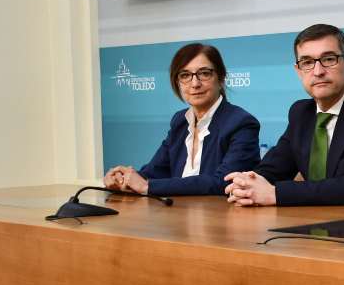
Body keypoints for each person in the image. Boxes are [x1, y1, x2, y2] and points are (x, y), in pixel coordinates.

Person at [224, 24, 344, 207]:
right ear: (298, 71)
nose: (318, 71)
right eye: (307, 62)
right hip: (318, 225)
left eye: (329, 59)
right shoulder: (301, 113)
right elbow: (273, 169)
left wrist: (275, 193)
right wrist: (247, 184)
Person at [104, 43, 260, 196]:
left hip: (222, 218)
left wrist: (146, 186)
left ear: (221, 77)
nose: (195, 84)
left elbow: (224, 182)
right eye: (185, 75)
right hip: (178, 216)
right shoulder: (180, 121)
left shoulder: (241, 123)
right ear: (177, 82)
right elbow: (154, 172)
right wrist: (123, 179)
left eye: (204, 73)